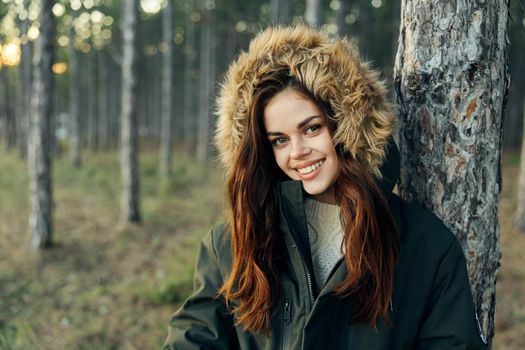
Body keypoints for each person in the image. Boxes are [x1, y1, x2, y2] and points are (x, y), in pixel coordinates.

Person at [163, 25, 487, 349]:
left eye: (313, 128)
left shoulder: (425, 246)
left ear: (347, 124)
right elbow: (194, 340)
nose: (297, 151)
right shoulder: (233, 243)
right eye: (279, 140)